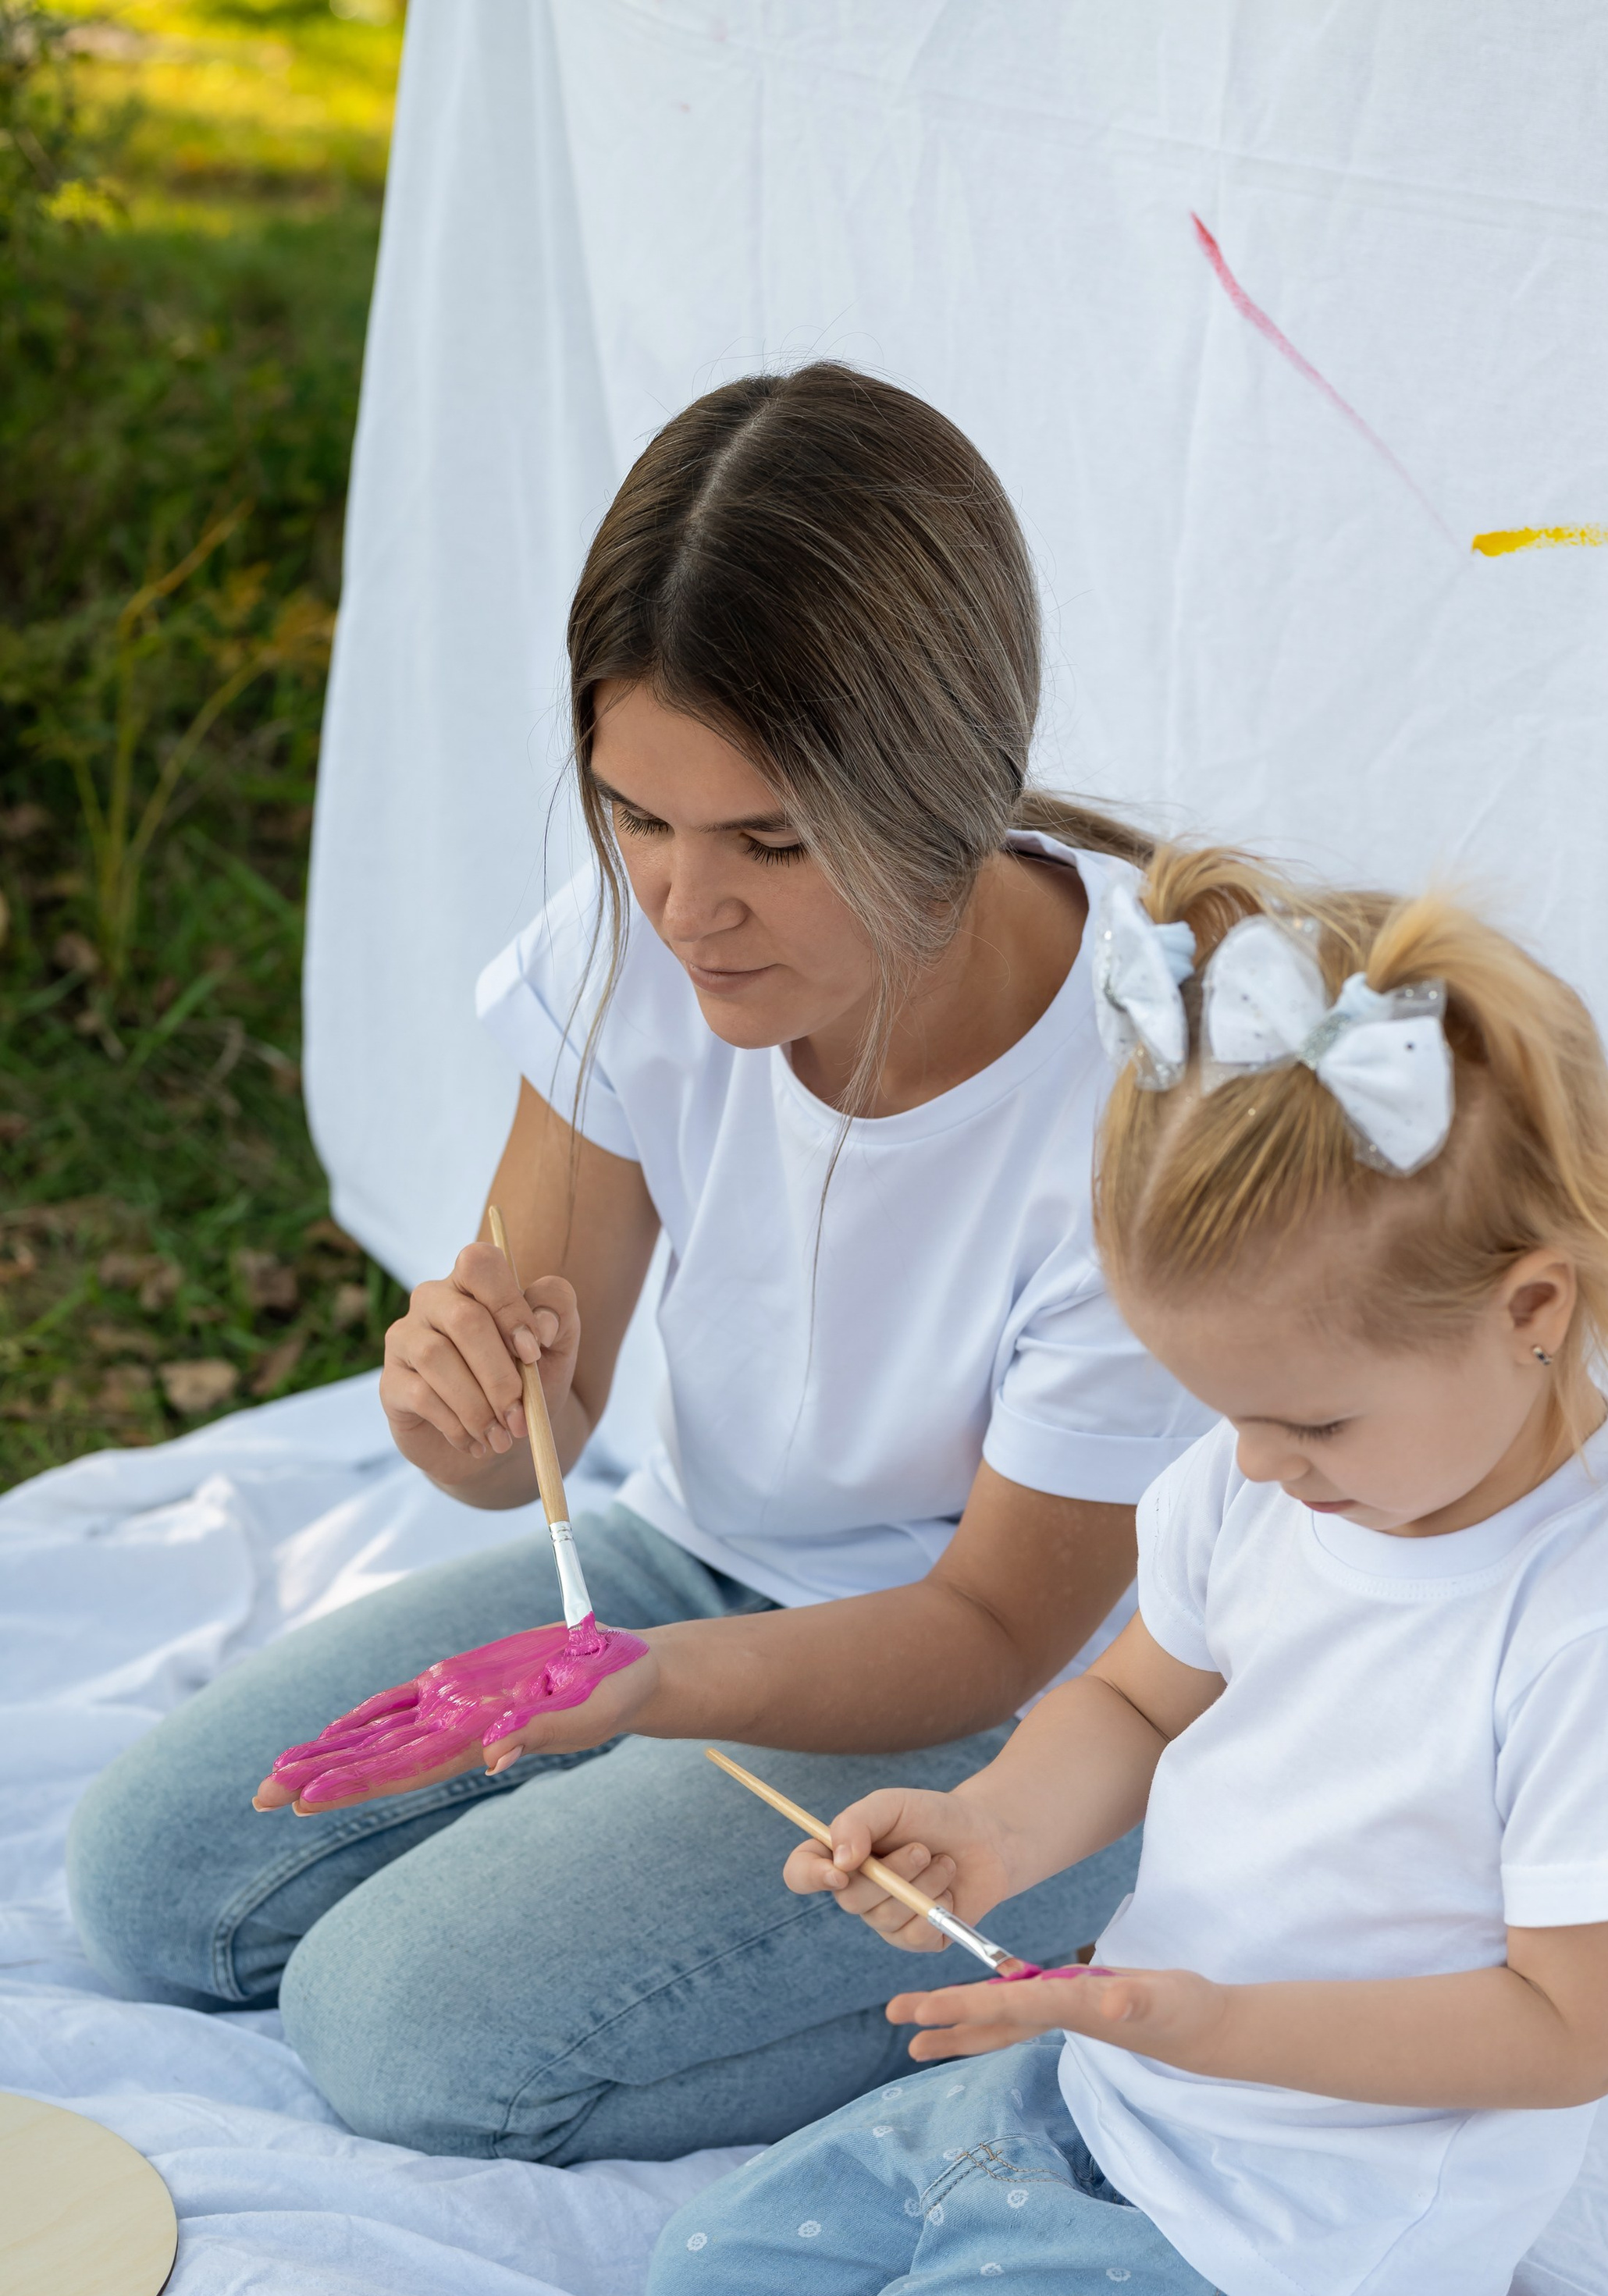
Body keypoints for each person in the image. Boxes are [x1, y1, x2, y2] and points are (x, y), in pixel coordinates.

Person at [64, 364, 1208, 2163]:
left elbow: (991, 1625)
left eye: (767, 839)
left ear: (944, 791)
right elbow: (532, 1407)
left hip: (1025, 1714)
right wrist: (452, 1391)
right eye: (635, 815)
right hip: (685, 1573)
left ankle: (1065, 1918)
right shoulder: (653, 936)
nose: (684, 908)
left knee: (394, 2031)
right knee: (155, 1882)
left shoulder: (1147, 1100)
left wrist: (646, 1700)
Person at [642, 851, 1608, 2296]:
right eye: (1216, 1407)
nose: (1248, 1465)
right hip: (1114, 2094)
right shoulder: (1281, 1469)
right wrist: (985, 1825)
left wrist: (1193, 2018)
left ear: (1529, 1308)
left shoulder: (1605, 1627)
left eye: (1304, 1424)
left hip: (1305, 2232)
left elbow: (1570, 2026)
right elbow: (1139, 1701)